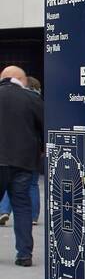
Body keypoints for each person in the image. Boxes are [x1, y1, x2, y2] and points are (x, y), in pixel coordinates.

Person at [0, 65, 44, 266]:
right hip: (24, 163)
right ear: (21, 79)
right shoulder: (31, 98)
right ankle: (24, 254)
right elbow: (46, 125)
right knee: (22, 207)